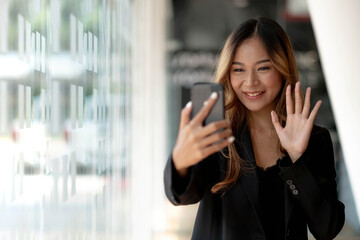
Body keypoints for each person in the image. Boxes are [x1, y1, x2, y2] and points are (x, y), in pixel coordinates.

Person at [164, 17, 345, 240]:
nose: (250, 82)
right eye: (238, 70)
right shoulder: (217, 135)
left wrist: (297, 159)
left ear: (282, 68)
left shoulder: (315, 140)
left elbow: (327, 229)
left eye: (263, 68)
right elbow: (183, 196)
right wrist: (180, 163)